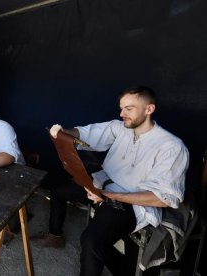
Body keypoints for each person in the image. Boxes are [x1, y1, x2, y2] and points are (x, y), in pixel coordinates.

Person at [32, 86, 189, 276]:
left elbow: (161, 198)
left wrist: (107, 196)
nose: (122, 113)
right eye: (122, 108)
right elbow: (87, 134)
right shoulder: (120, 127)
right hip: (103, 186)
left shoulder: (171, 147)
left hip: (132, 203)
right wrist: (64, 132)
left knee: (91, 240)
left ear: (149, 109)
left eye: (129, 109)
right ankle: (55, 236)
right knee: (58, 192)